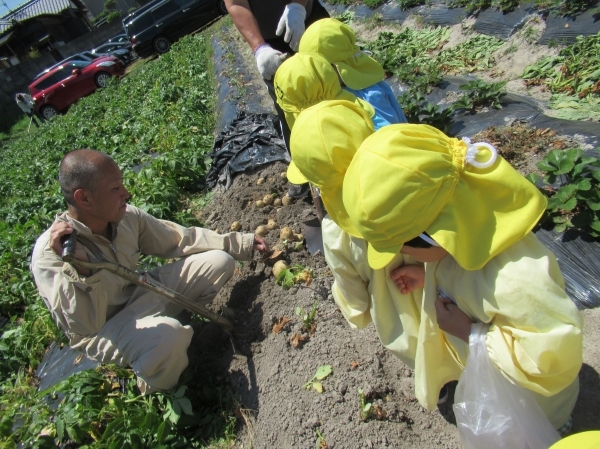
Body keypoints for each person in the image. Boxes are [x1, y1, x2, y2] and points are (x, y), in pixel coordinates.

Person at [341, 123, 583, 433]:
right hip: (497, 380)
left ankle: (560, 427)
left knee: (539, 433)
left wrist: (470, 334)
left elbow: (553, 360)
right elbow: (465, 281)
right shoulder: (461, 242)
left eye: (402, 247)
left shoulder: (518, 280)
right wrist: (427, 277)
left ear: (433, 234)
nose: (402, 254)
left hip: (534, 402)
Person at [31, 149, 269, 394]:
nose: (126, 193)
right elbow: (85, 324)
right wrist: (83, 269)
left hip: (139, 294)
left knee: (220, 261)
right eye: (115, 188)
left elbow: (178, 239)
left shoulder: (124, 216)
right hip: (105, 330)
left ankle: (174, 333)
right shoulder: (51, 256)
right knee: (168, 338)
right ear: (84, 198)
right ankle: (153, 382)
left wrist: (240, 243)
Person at [224, 0, 329, 198]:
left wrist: (297, 7)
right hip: (271, 41)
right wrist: (259, 48)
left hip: (309, 20)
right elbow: (236, 3)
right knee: (287, 106)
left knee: (332, 82)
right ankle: (306, 170)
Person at [299, 18, 407, 128]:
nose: (319, 77)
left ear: (340, 66)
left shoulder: (369, 96)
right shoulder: (322, 94)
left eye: (324, 70)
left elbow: (390, 132)